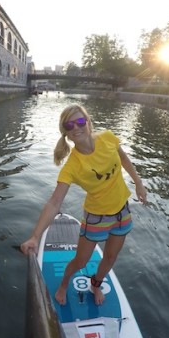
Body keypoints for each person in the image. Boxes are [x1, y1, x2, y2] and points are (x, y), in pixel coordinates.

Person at [20, 104, 147, 306]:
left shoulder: (107, 137)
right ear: (66, 134)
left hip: (122, 211)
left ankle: (95, 284)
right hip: (96, 218)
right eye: (69, 125)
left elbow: (123, 158)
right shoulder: (73, 166)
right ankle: (63, 284)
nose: (76, 128)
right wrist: (35, 236)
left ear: (88, 122)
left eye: (80, 121)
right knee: (81, 262)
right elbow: (55, 202)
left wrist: (138, 183)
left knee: (111, 258)